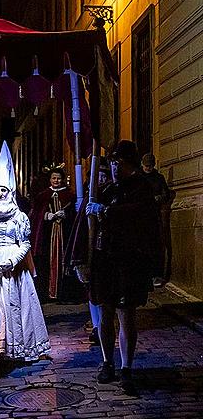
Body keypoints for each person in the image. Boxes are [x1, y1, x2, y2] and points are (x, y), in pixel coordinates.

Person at [84, 141, 162, 396]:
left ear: (130, 164)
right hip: (105, 260)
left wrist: (105, 211)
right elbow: (93, 222)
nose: (115, 168)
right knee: (105, 314)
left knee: (125, 315)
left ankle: (126, 367)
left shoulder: (142, 188)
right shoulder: (107, 190)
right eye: (113, 163)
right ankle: (108, 362)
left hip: (128, 262)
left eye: (119, 163)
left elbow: (135, 215)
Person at [0, 141, 51, 372]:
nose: (1, 193)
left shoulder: (19, 217)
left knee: (16, 307)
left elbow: (24, 242)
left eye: (4, 190)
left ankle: (17, 348)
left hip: (14, 269)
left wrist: (13, 260)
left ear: (10, 191)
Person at [67, 157, 113, 346]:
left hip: (107, 251)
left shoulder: (111, 193)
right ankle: (96, 326)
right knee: (91, 290)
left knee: (104, 291)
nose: (101, 179)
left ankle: (104, 325)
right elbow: (80, 229)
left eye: (104, 175)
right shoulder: (88, 196)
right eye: (98, 175)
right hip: (90, 251)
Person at [29, 167, 78, 303]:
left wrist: (66, 214)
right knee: (45, 262)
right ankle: (46, 294)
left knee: (65, 261)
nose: (56, 180)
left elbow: (75, 214)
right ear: (50, 180)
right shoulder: (43, 195)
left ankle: (64, 294)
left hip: (65, 234)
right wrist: (46, 215)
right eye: (53, 178)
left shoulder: (69, 195)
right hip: (47, 236)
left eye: (58, 178)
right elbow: (35, 215)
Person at [141, 152, 175, 285]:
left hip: (154, 215)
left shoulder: (158, 178)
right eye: (146, 166)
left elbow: (165, 193)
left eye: (151, 166)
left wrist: (159, 198)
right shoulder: (139, 177)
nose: (149, 168)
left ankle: (156, 274)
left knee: (155, 245)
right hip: (141, 215)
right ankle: (144, 274)